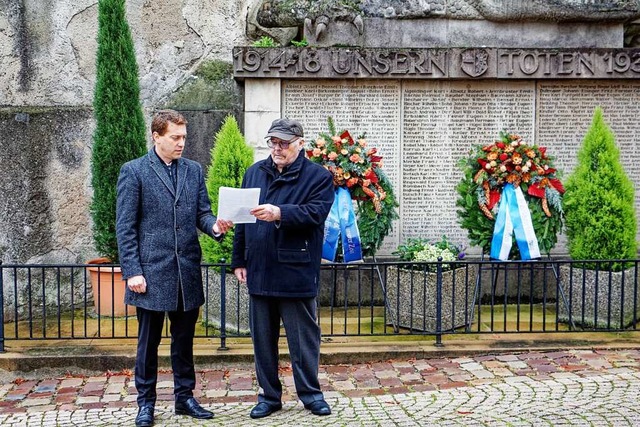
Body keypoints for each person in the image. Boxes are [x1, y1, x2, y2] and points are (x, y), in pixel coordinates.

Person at [116, 109, 233, 427]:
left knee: (184, 341)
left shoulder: (193, 170)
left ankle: (184, 398)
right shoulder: (135, 171)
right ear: (156, 137)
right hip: (150, 275)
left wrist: (217, 227)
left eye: (184, 137)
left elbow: (202, 214)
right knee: (148, 343)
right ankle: (146, 403)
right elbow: (125, 228)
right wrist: (133, 271)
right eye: (175, 137)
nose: (182, 143)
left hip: (186, 273)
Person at [231, 118, 335, 419]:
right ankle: (269, 396)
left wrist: (280, 213)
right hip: (260, 268)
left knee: (303, 340)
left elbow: (315, 214)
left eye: (284, 143)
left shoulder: (318, 177)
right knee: (263, 341)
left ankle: (311, 395)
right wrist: (239, 260)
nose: (277, 148)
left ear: (300, 144)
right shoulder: (254, 172)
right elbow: (242, 220)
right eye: (273, 142)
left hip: (296, 269)